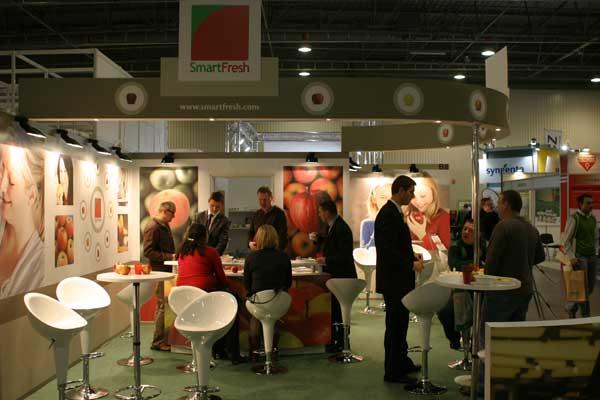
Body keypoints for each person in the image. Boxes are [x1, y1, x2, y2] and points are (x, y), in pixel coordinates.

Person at [375, 175, 423, 384]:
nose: (413, 196)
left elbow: (399, 245)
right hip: (394, 281)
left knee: (401, 323)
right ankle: (393, 371)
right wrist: (410, 263)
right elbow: (388, 250)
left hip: (399, 280)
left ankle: (402, 362)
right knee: (395, 325)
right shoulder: (387, 214)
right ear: (401, 190)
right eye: (411, 191)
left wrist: (412, 255)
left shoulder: (394, 212)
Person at [177, 223, 245, 363]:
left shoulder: (182, 253)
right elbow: (222, 279)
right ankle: (232, 353)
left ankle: (218, 350)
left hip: (183, 299)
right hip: (204, 296)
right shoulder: (210, 252)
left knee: (219, 305)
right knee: (232, 305)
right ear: (205, 237)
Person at [481, 190, 545, 335]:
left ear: (506, 204)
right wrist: (522, 262)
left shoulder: (503, 227)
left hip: (502, 291)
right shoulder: (531, 228)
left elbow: (491, 263)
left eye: (499, 203)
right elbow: (540, 256)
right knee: (513, 335)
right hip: (524, 290)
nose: (497, 207)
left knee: (490, 337)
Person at [0, 144, 45, 299]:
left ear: (31, 195)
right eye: (1, 172)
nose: (1, 187)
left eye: (11, 181)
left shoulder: (39, 266)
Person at [313, 198, 357, 353]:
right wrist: (319, 239)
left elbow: (344, 256)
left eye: (320, 212)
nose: (319, 215)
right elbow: (331, 243)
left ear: (327, 212)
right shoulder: (334, 226)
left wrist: (326, 260)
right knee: (336, 310)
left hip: (343, 277)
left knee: (339, 310)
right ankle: (337, 340)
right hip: (338, 276)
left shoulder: (341, 228)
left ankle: (342, 342)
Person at [243, 224, 292, 361]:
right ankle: (273, 351)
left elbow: (247, 285)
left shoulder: (251, 257)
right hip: (278, 301)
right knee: (274, 316)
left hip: (259, 303)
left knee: (255, 316)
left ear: (257, 239)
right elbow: (288, 283)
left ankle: (254, 353)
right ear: (275, 238)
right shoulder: (283, 256)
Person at [438, 219, 485, 349]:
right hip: (460, 291)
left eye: (471, 230)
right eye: (465, 229)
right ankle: (455, 340)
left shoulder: (484, 247)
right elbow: (455, 264)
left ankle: (476, 344)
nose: (466, 232)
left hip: (482, 291)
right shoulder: (456, 246)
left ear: (478, 234)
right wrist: (476, 264)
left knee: (486, 315)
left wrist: (471, 265)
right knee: (444, 312)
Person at [143, 201, 177, 352]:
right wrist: (170, 256)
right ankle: (157, 342)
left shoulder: (164, 225)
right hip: (159, 271)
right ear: (165, 211)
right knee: (162, 306)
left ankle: (162, 339)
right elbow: (148, 252)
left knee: (163, 306)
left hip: (166, 271)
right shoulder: (153, 227)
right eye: (172, 213)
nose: (173, 217)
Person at [560, 193, 598, 318]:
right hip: (580, 257)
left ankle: (570, 306)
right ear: (580, 204)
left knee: (590, 287)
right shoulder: (574, 218)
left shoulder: (592, 219)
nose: (591, 205)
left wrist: (596, 250)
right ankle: (586, 316)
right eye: (588, 203)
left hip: (592, 256)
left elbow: (595, 237)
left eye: (592, 203)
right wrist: (572, 257)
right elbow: (565, 240)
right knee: (583, 288)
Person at [404, 172, 451, 251]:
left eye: (423, 195)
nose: (418, 202)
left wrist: (422, 234)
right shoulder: (406, 214)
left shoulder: (443, 217)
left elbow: (444, 255)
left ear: (433, 192)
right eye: (412, 196)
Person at [248, 186, 288, 252]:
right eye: (260, 199)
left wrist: (278, 251)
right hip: (258, 251)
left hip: (274, 252)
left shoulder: (279, 214)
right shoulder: (256, 215)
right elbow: (251, 232)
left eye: (265, 200)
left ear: (270, 198)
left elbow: (282, 235)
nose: (262, 202)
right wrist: (250, 243)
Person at [191, 191, 231, 255]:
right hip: (197, 253)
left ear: (222, 205)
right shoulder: (198, 217)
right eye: (212, 205)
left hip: (213, 254)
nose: (214, 209)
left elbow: (223, 242)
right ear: (208, 202)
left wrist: (213, 255)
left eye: (217, 207)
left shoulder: (224, 221)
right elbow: (192, 236)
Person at [360, 182, 392, 248]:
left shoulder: (400, 222)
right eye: (383, 197)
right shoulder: (367, 224)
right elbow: (364, 251)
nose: (388, 201)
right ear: (374, 200)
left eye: (391, 198)